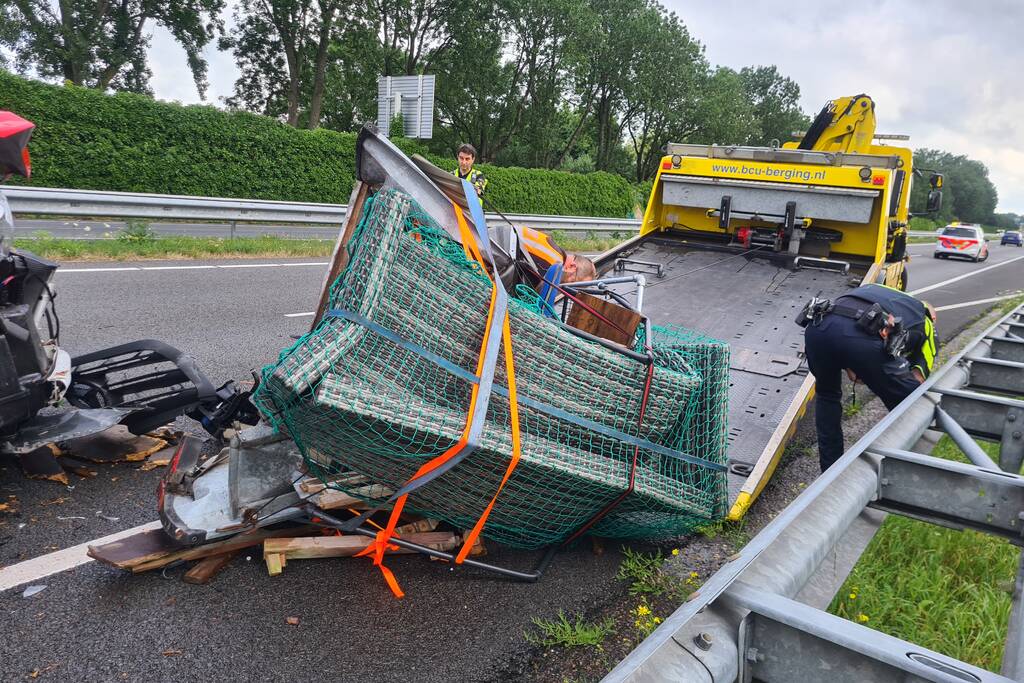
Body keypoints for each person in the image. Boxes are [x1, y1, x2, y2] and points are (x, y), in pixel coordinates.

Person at [800, 283, 938, 471]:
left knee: (827, 396)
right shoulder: (926, 322)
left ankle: (830, 472)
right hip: (862, 335)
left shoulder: (882, 292)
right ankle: (909, 464)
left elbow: (844, 335)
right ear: (933, 316)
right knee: (911, 402)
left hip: (819, 326)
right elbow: (918, 380)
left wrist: (862, 367)